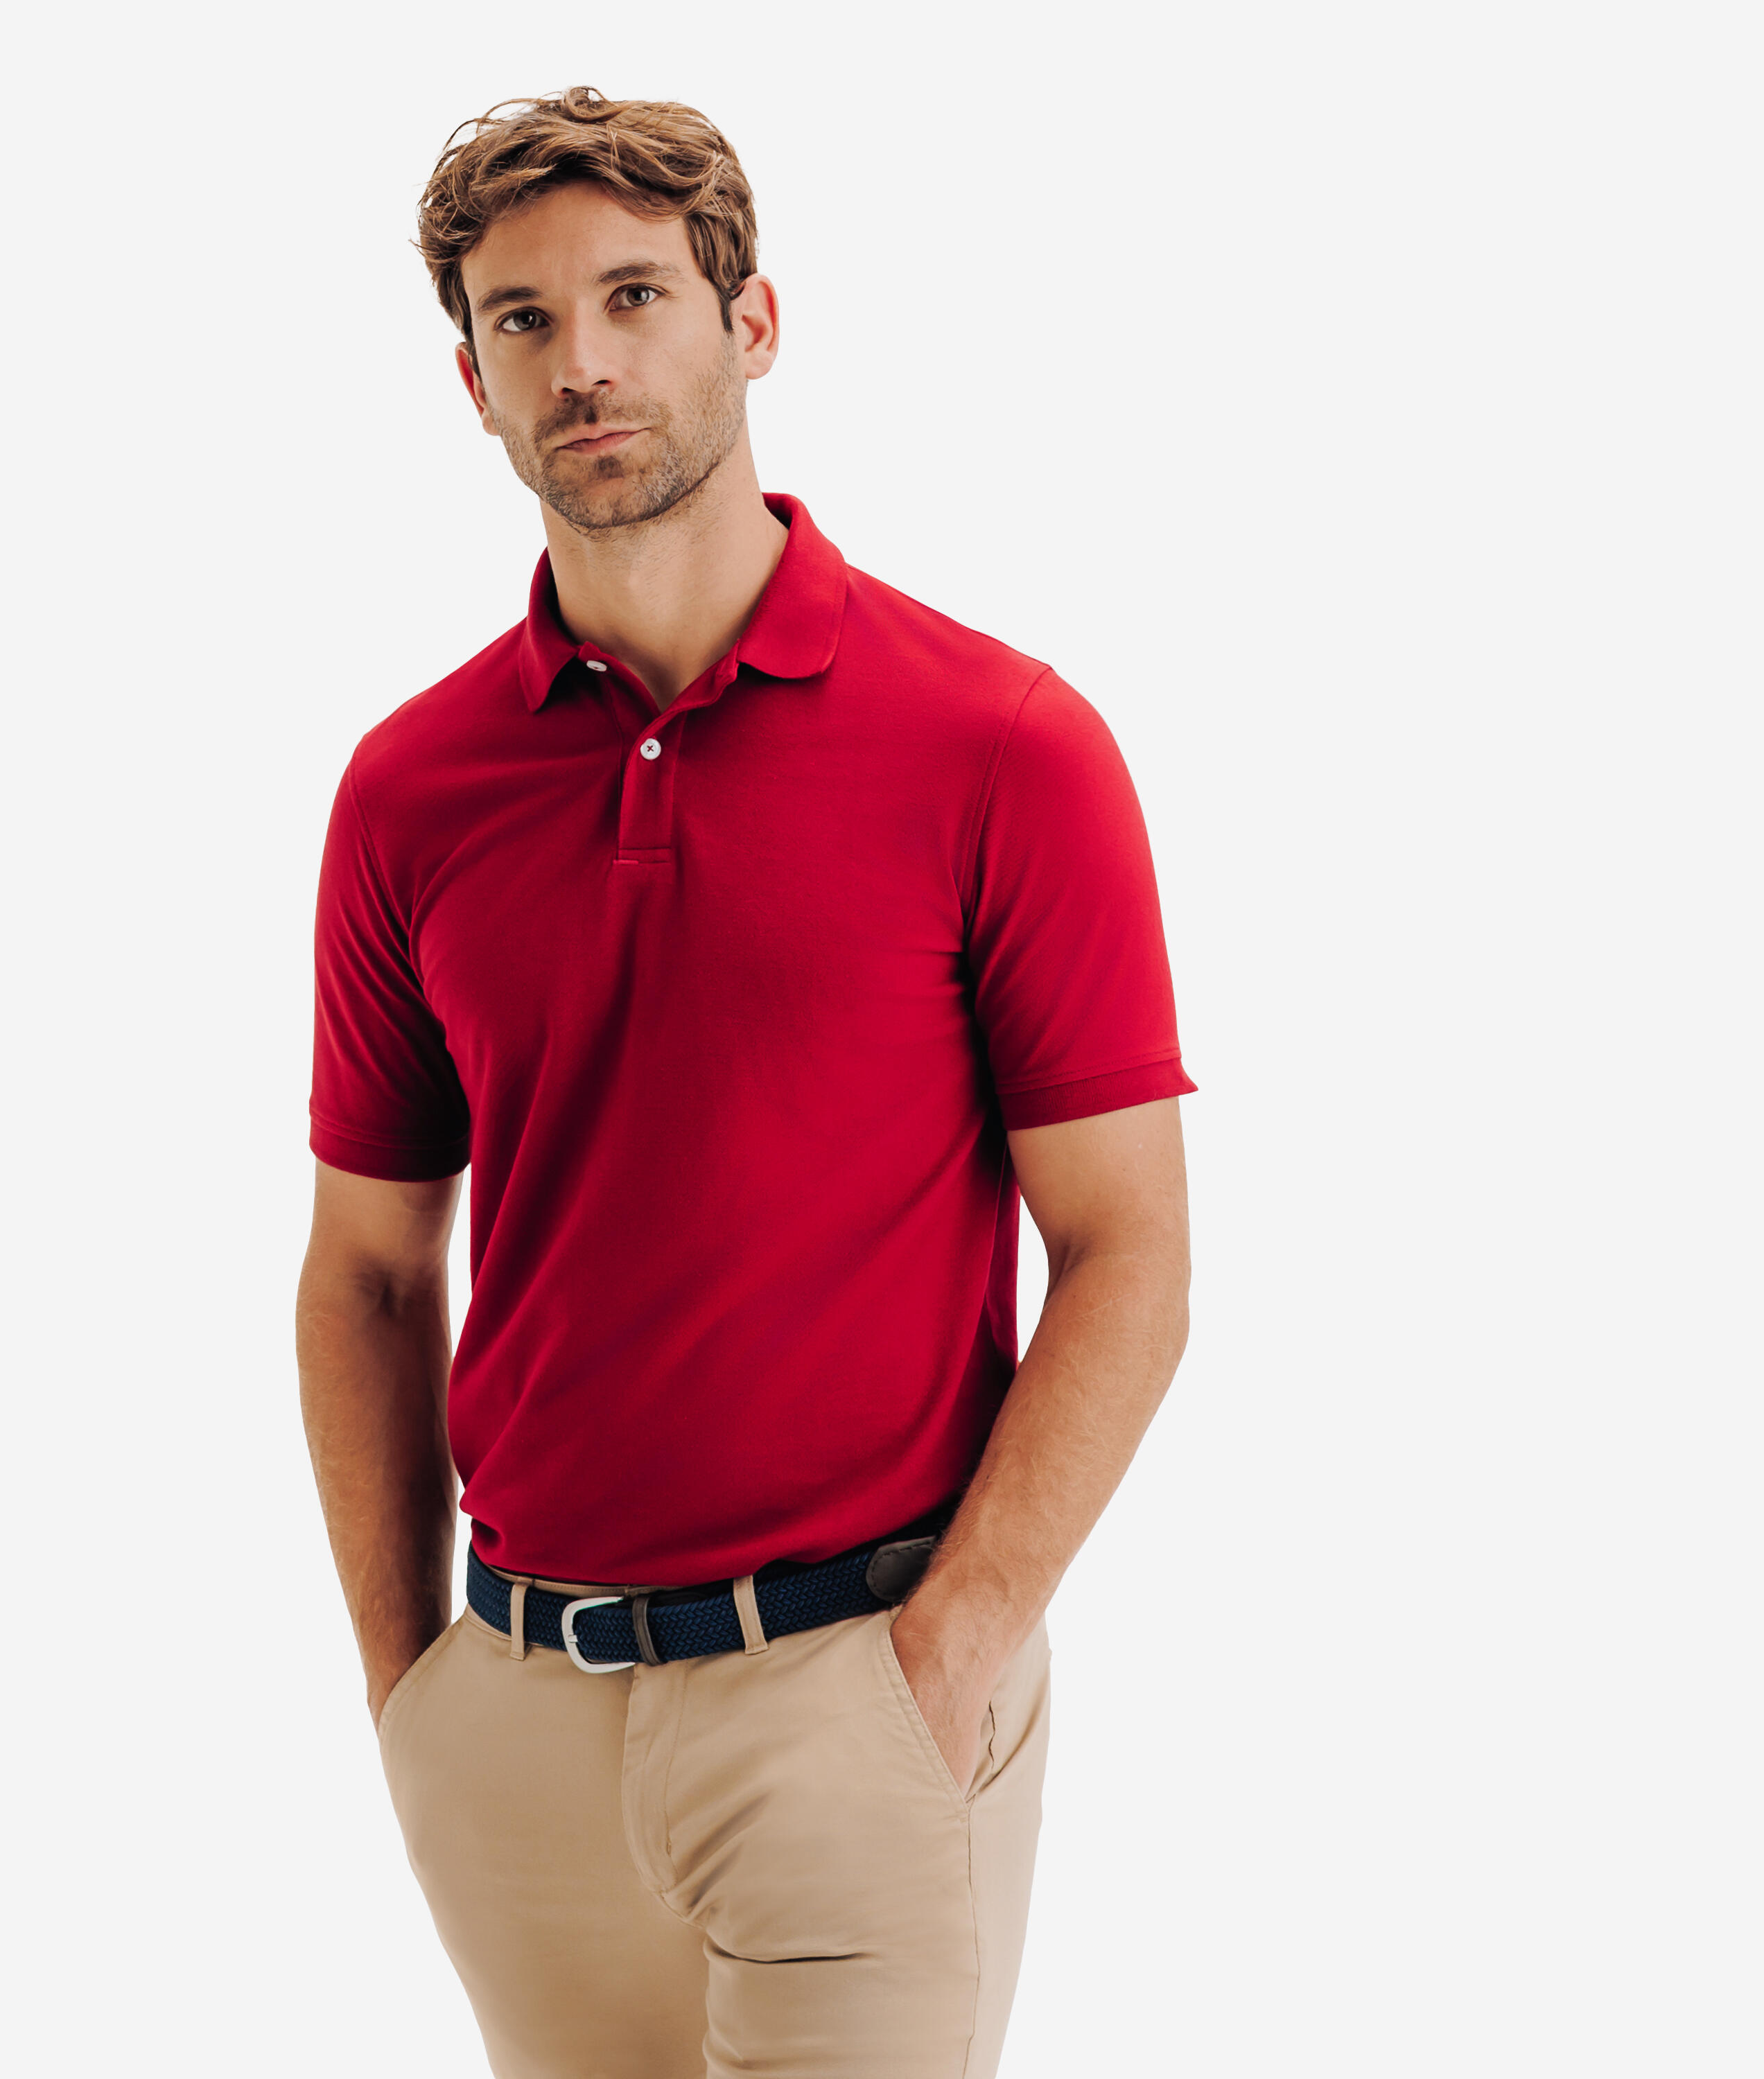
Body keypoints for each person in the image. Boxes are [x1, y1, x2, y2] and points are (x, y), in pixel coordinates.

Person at [295, 85, 1196, 2079]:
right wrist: (409, 1688)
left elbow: (1130, 1253)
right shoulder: (410, 791)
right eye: (524, 319)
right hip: (517, 1718)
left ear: (753, 322)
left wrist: (949, 1660)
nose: (583, 361)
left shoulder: (1003, 746)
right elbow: (366, 1266)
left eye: (635, 295)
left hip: (854, 1691)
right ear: (471, 381)